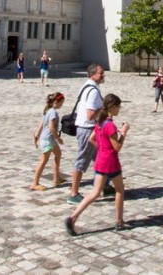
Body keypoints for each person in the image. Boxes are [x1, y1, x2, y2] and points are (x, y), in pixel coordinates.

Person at [65, 94, 129, 235]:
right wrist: (123, 133)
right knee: (119, 191)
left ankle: (73, 217)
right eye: (118, 106)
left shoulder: (100, 122)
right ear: (112, 107)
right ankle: (119, 221)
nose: (119, 109)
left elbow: (91, 139)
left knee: (94, 193)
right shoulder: (110, 125)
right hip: (111, 163)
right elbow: (117, 147)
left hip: (100, 161)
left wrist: (101, 147)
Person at [67, 63, 105, 204]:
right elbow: (90, 114)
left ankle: (104, 185)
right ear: (92, 74)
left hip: (87, 128)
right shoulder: (93, 91)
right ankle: (73, 193)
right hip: (88, 129)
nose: (103, 75)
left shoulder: (86, 86)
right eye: (101, 73)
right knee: (82, 160)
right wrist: (103, 109)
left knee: (102, 157)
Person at [31, 92, 65, 190]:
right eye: (61, 102)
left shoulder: (48, 111)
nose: (62, 104)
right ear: (56, 102)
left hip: (49, 140)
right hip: (48, 140)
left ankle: (56, 177)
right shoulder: (53, 112)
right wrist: (58, 139)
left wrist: (37, 134)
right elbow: (51, 128)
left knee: (58, 154)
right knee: (43, 161)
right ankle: (35, 183)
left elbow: (42, 124)